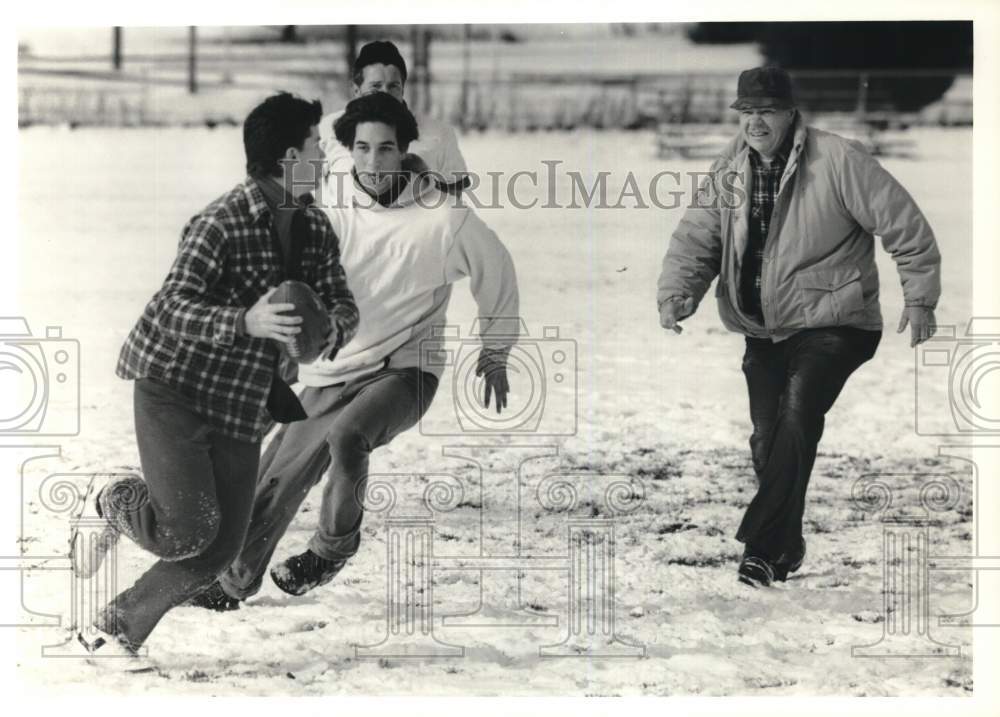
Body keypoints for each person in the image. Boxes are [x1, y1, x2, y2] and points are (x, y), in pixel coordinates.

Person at [188, 92, 518, 609]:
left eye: (385, 149)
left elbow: (496, 271)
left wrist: (495, 350)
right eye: (362, 149)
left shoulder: (445, 219)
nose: (373, 162)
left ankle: (330, 549)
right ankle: (232, 583)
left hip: (405, 368)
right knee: (277, 477)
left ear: (405, 150)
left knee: (348, 437)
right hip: (335, 363)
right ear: (349, 151)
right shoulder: (330, 207)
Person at [70, 92, 359, 655]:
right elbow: (170, 307)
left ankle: (113, 628)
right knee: (185, 530)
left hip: (243, 402)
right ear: (287, 157)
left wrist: (329, 331)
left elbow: (343, 305)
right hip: (174, 387)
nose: (325, 158)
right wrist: (244, 321)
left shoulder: (317, 229)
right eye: (317, 146)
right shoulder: (221, 223)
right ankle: (111, 500)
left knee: (220, 550)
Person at [657, 67, 941, 588]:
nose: (755, 123)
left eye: (765, 111)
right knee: (769, 440)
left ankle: (759, 550)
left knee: (795, 413)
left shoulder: (838, 159)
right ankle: (784, 547)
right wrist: (678, 292)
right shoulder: (731, 166)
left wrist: (920, 299)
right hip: (763, 328)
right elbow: (697, 236)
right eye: (746, 113)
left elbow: (905, 224)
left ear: (790, 113)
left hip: (838, 321)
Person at [319, 39, 470, 197]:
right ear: (356, 90)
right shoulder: (328, 129)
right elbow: (309, 194)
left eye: (393, 86)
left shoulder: (438, 133)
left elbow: (453, 199)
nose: (385, 94)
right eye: (375, 87)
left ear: (403, 89)